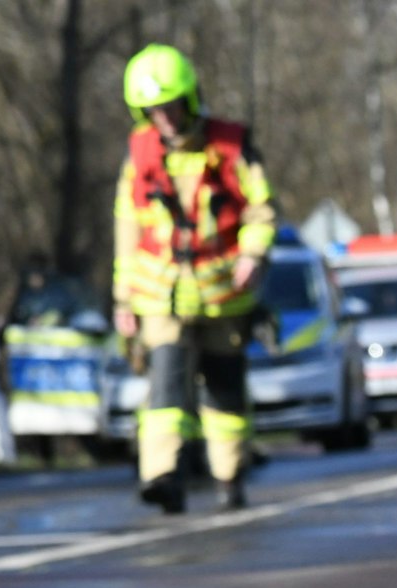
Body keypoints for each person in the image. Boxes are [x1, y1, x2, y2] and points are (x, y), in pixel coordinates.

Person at [113, 43, 277, 514]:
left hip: (224, 294)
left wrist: (253, 252)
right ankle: (163, 476)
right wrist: (123, 301)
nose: (162, 117)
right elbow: (128, 228)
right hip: (159, 294)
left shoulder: (230, 146)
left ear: (189, 99)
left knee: (224, 389)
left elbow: (262, 210)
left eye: (169, 106)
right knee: (165, 386)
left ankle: (230, 476)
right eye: (152, 109)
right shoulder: (139, 154)